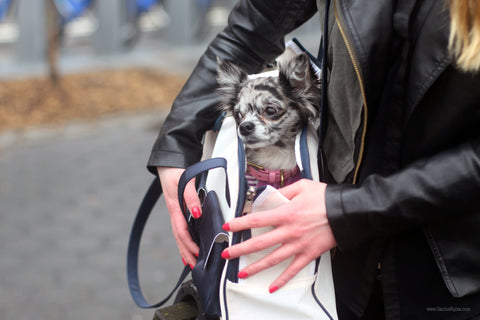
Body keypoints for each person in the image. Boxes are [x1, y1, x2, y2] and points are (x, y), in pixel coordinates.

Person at [147, 0, 480, 319]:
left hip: (454, 274)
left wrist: (349, 211)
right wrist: (177, 141)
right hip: (339, 266)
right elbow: (249, 30)